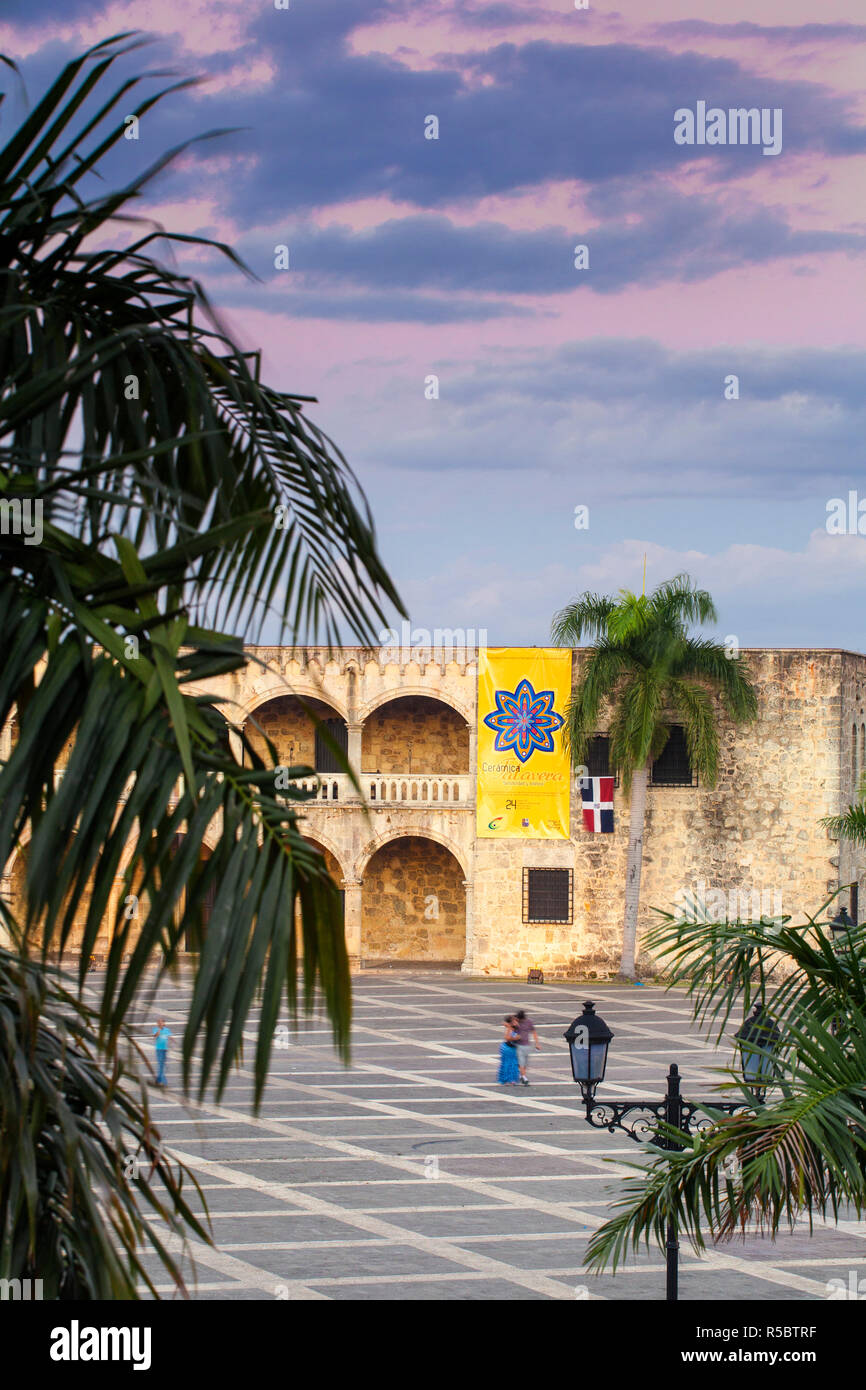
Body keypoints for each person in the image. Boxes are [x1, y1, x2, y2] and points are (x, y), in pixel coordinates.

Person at [513, 1009, 540, 1086]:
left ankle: (521, 1075)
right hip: (518, 1045)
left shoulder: (529, 1022)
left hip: (527, 1045)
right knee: (521, 1062)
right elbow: (509, 1028)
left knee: (524, 1063)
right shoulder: (515, 1022)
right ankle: (524, 1077)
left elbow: (534, 1032)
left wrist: (537, 1043)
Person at [497, 1015, 521, 1085]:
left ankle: (512, 1079)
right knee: (507, 1064)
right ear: (511, 1022)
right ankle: (505, 1079)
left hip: (514, 1048)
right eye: (514, 1021)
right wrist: (516, 1038)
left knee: (513, 1064)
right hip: (507, 1048)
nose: (516, 1022)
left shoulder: (517, 1028)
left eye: (516, 1021)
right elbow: (507, 1038)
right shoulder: (509, 1028)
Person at [153, 1017, 171, 1087]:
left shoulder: (167, 1030)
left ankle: (158, 1080)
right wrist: (159, 1030)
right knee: (161, 1065)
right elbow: (155, 1037)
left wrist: (171, 1044)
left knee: (162, 1065)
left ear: (164, 1023)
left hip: (165, 1049)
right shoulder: (155, 1029)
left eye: (161, 1022)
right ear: (157, 1023)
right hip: (159, 1049)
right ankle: (164, 1082)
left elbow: (168, 1038)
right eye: (159, 1022)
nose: (160, 1023)